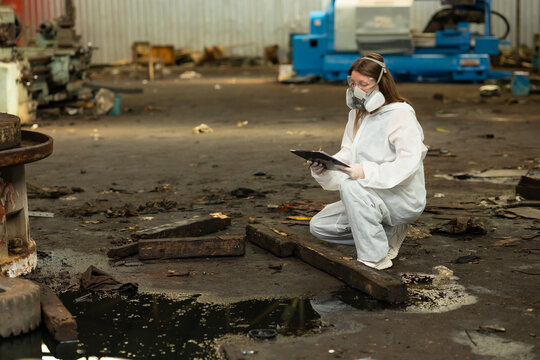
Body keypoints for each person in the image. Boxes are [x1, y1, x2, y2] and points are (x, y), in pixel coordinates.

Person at [308, 52, 427, 270]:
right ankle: (386, 232)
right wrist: (325, 166)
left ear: (381, 84)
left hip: (399, 195)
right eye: (353, 83)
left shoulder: (400, 114)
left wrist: (365, 172)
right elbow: (348, 153)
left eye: (363, 84)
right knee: (320, 226)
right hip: (369, 193)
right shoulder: (357, 114)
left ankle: (375, 258)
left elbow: (408, 165)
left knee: (351, 186)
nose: (356, 89)